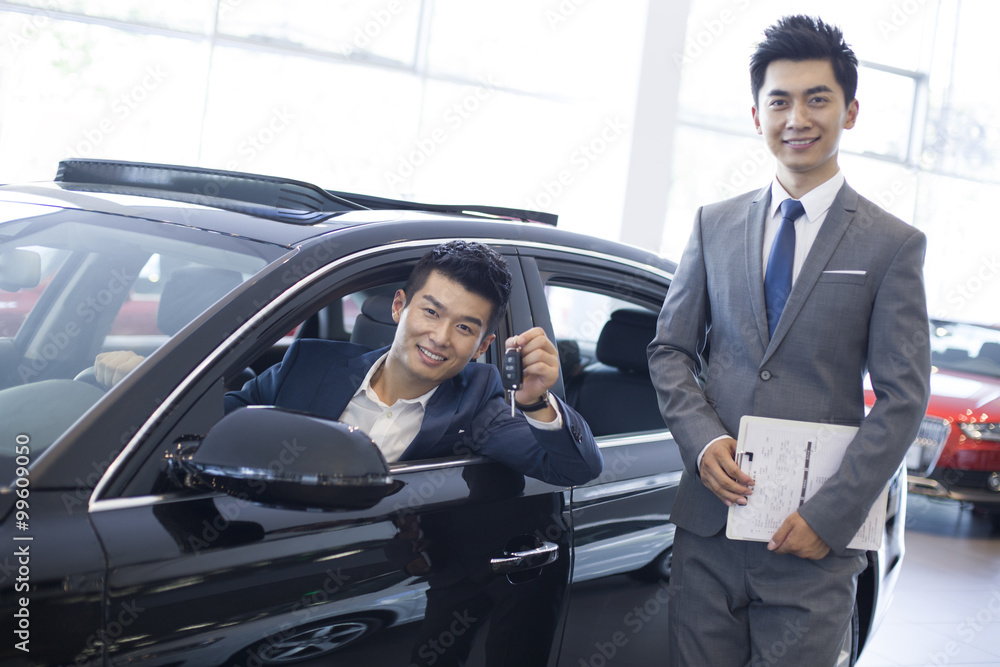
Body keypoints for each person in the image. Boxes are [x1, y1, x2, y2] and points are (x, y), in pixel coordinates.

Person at [647, 15, 930, 666]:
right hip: (709, 531)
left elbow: (903, 397)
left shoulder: (891, 245)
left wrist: (829, 517)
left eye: (817, 98)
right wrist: (703, 438)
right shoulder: (712, 224)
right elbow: (669, 349)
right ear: (756, 114)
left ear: (849, 111)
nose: (796, 117)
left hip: (812, 542)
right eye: (779, 100)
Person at [222, 240, 602, 487]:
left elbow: (574, 470)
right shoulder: (309, 364)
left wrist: (536, 402)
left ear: (482, 345)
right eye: (431, 313)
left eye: (464, 327)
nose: (440, 337)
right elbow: (214, 426)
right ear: (399, 306)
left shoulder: (477, 404)